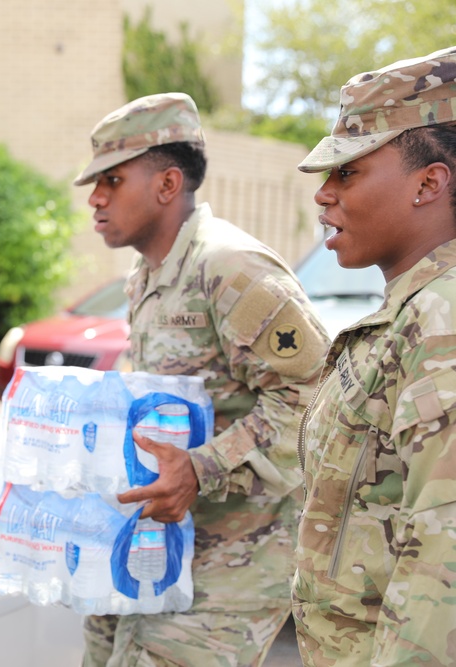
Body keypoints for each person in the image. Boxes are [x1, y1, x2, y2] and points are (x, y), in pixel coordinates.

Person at [74, 92, 330, 666]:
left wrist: (202, 467)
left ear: (167, 185)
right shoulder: (149, 273)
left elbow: (316, 399)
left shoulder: (231, 267)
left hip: (235, 558)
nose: (95, 198)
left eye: (112, 180)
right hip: (155, 540)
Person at [293, 46, 456, 666]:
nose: (323, 195)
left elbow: (442, 564)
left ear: (429, 182)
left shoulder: (443, 320)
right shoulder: (411, 314)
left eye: (349, 173)